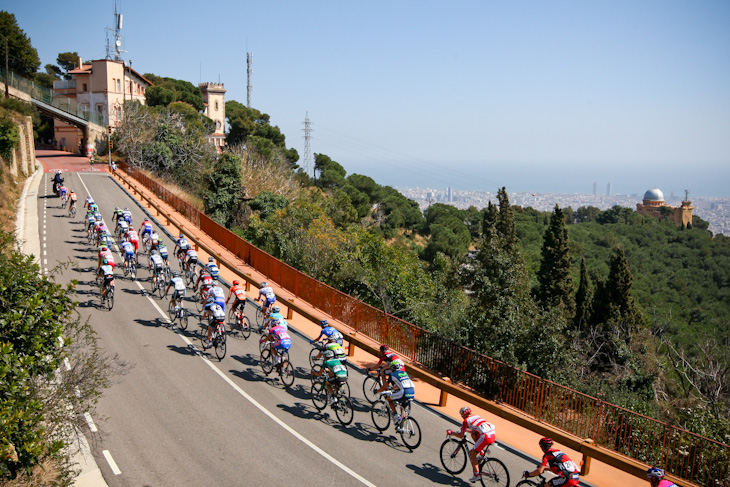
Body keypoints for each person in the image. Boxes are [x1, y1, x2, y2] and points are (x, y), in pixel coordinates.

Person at [447, 407, 497, 483]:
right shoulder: (476, 416)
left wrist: (452, 433)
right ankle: (481, 452)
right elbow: (475, 430)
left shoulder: (466, 421)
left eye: (461, 415)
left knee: (472, 454)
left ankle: (477, 475)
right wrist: (466, 430)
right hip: (492, 434)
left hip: (486, 437)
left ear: (463, 415)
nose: (461, 416)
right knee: (474, 435)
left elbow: (461, 435)